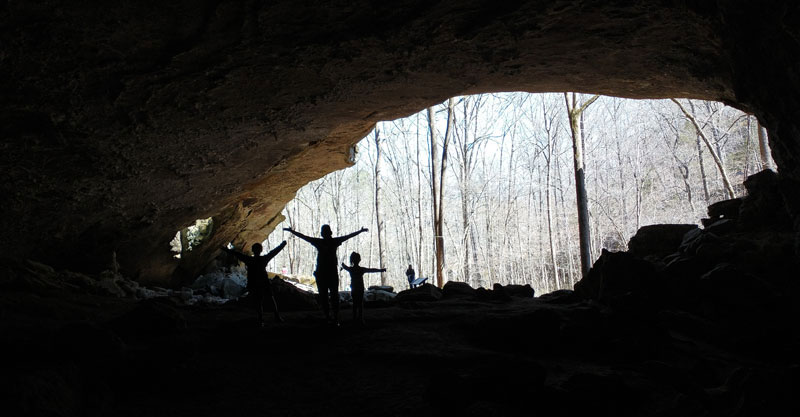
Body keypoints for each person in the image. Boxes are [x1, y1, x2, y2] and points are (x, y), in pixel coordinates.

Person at [284, 225, 368, 325]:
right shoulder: (333, 242)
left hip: (323, 274)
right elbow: (348, 236)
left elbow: (304, 237)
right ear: (331, 232)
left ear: (323, 233)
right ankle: (334, 317)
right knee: (332, 296)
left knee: (326, 296)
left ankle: (330, 317)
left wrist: (292, 231)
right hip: (329, 273)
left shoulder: (320, 242)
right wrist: (360, 231)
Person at [221, 241, 287, 326]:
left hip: (254, 283)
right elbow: (274, 252)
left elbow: (237, 254)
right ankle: (277, 316)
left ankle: (260, 320)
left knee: (258, 302)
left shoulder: (249, 259)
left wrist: (226, 250)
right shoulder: (264, 259)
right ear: (261, 250)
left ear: (252, 250)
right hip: (264, 282)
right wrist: (282, 244)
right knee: (271, 298)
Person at [341, 252, 385, 325]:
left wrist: (342, 264)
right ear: (359, 260)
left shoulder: (351, 269)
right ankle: (360, 319)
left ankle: (355, 318)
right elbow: (371, 270)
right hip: (360, 288)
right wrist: (381, 270)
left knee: (355, 303)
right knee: (360, 303)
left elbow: (343, 266)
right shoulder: (361, 269)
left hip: (354, 288)